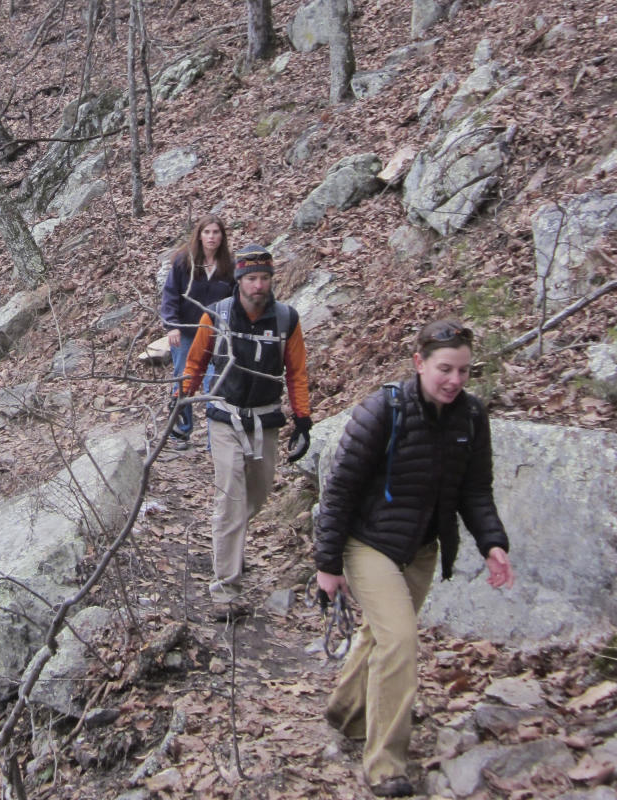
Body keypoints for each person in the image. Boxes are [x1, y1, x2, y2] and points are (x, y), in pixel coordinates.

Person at [314, 319, 514, 798]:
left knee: (380, 635)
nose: (455, 380)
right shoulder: (383, 410)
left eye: (464, 371)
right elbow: (339, 489)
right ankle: (385, 765)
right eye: (445, 369)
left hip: (422, 550)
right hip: (368, 545)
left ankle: (343, 711)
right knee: (401, 640)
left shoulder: (471, 417)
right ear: (419, 363)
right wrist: (328, 565)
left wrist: (493, 544)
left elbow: (475, 490)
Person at [180, 244, 312, 609]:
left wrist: (303, 419)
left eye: (265, 278)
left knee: (257, 495)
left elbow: (297, 372)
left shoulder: (286, 320)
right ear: (239, 280)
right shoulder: (218, 315)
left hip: (265, 418)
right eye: (252, 278)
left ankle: (230, 543)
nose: (258, 286)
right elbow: (196, 361)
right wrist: (182, 400)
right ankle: (225, 591)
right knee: (231, 498)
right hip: (225, 416)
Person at [160, 215, 235, 450]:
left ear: (222, 236)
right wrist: (171, 325)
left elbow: (235, 301)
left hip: (216, 334)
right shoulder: (184, 262)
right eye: (207, 232)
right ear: (199, 235)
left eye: (216, 232)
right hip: (186, 331)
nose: (211, 237)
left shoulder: (229, 267)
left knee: (214, 384)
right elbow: (170, 295)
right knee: (184, 380)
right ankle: (180, 432)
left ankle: (217, 441)